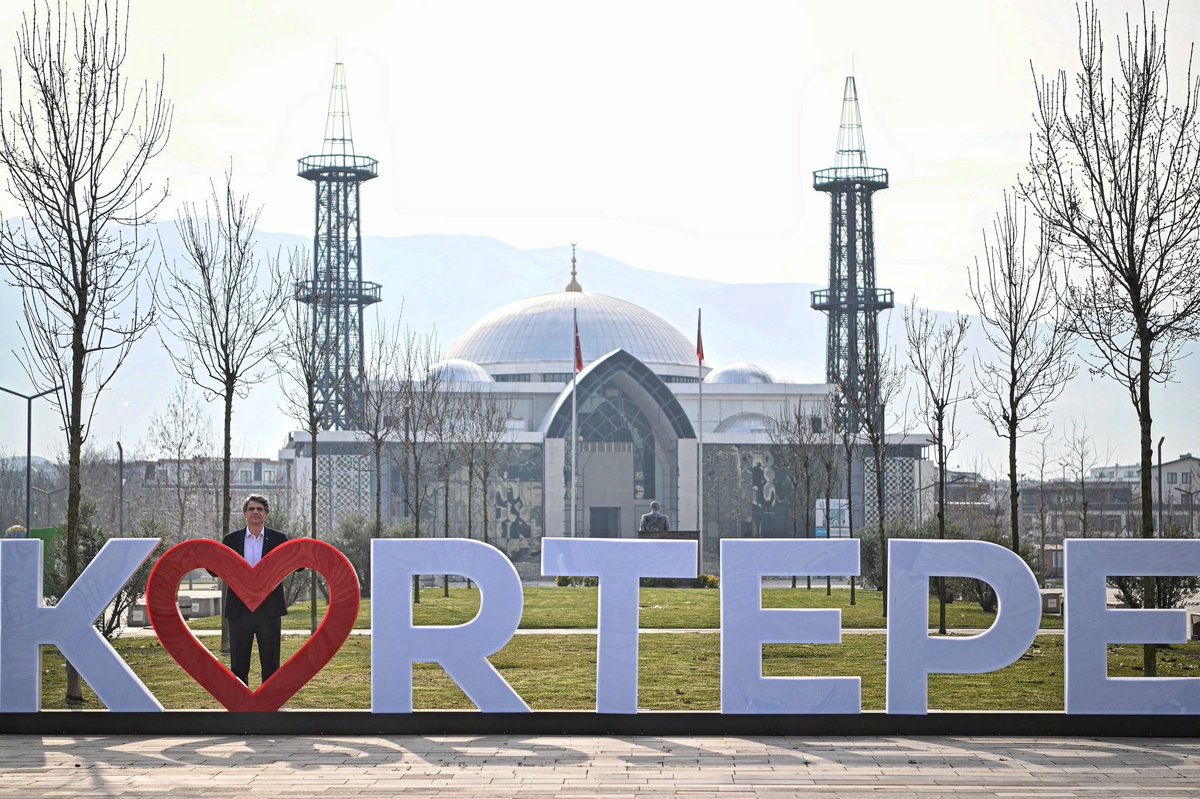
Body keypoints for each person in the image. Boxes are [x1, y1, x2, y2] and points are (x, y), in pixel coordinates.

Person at [220, 494, 289, 686]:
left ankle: (271, 701)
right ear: (244, 514)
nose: (255, 513)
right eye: (251, 509)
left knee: (271, 660)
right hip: (239, 610)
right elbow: (215, 569)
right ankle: (240, 703)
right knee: (239, 661)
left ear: (266, 514)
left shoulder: (279, 539)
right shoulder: (231, 539)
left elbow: (297, 565)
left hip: (269, 610)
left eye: (259, 509)